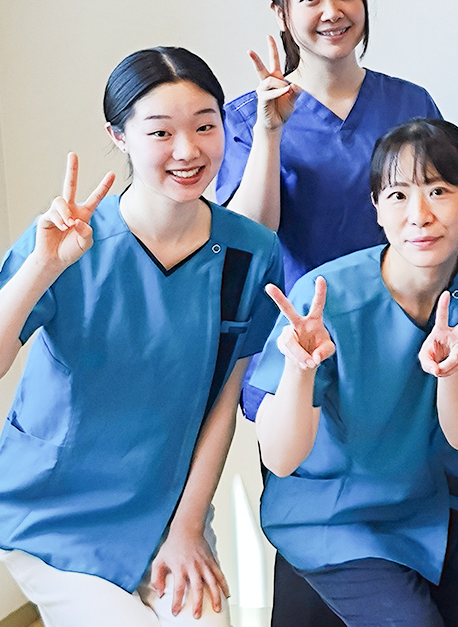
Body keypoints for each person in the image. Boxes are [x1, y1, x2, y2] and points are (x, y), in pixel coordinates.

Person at [0, 48, 282, 626]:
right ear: (119, 137)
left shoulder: (250, 253)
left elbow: (223, 402)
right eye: (160, 132)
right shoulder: (69, 239)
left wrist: (187, 527)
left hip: (167, 510)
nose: (188, 150)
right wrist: (42, 268)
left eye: (205, 126)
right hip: (52, 511)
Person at [215, 0, 441, 625]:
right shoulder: (247, 118)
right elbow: (249, 238)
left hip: (399, 358)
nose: (331, 10)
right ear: (281, 12)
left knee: (411, 555)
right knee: (312, 561)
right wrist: (272, 130)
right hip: (298, 356)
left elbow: (440, 225)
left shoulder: (409, 104)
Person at [250, 119, 458, 627]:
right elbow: (280, 459)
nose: (419, 215)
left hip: (428, 495)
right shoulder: (326, 298)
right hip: (333, 510)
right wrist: (301, 371)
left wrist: (452, 372)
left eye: (439, 191)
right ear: (376, 207)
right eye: (397, 195)